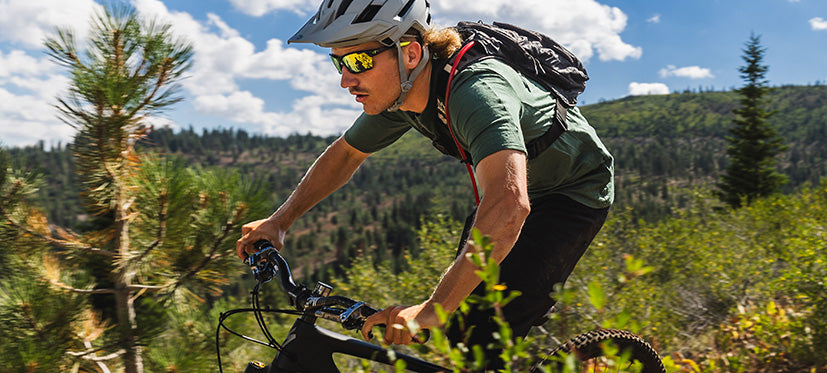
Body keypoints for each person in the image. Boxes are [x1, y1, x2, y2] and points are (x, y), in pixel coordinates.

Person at [236, 0, 614, 369]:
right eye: (338, 61)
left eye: (358, 61)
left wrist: (431, 309)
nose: (344, 80)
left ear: (411, 54)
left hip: (574, 193)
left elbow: (510, 206)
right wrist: (280, 221)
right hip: (512, 192)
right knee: (460, 326)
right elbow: (345, 155)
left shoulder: (478, 93)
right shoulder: (401, 95)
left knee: (486, 329)